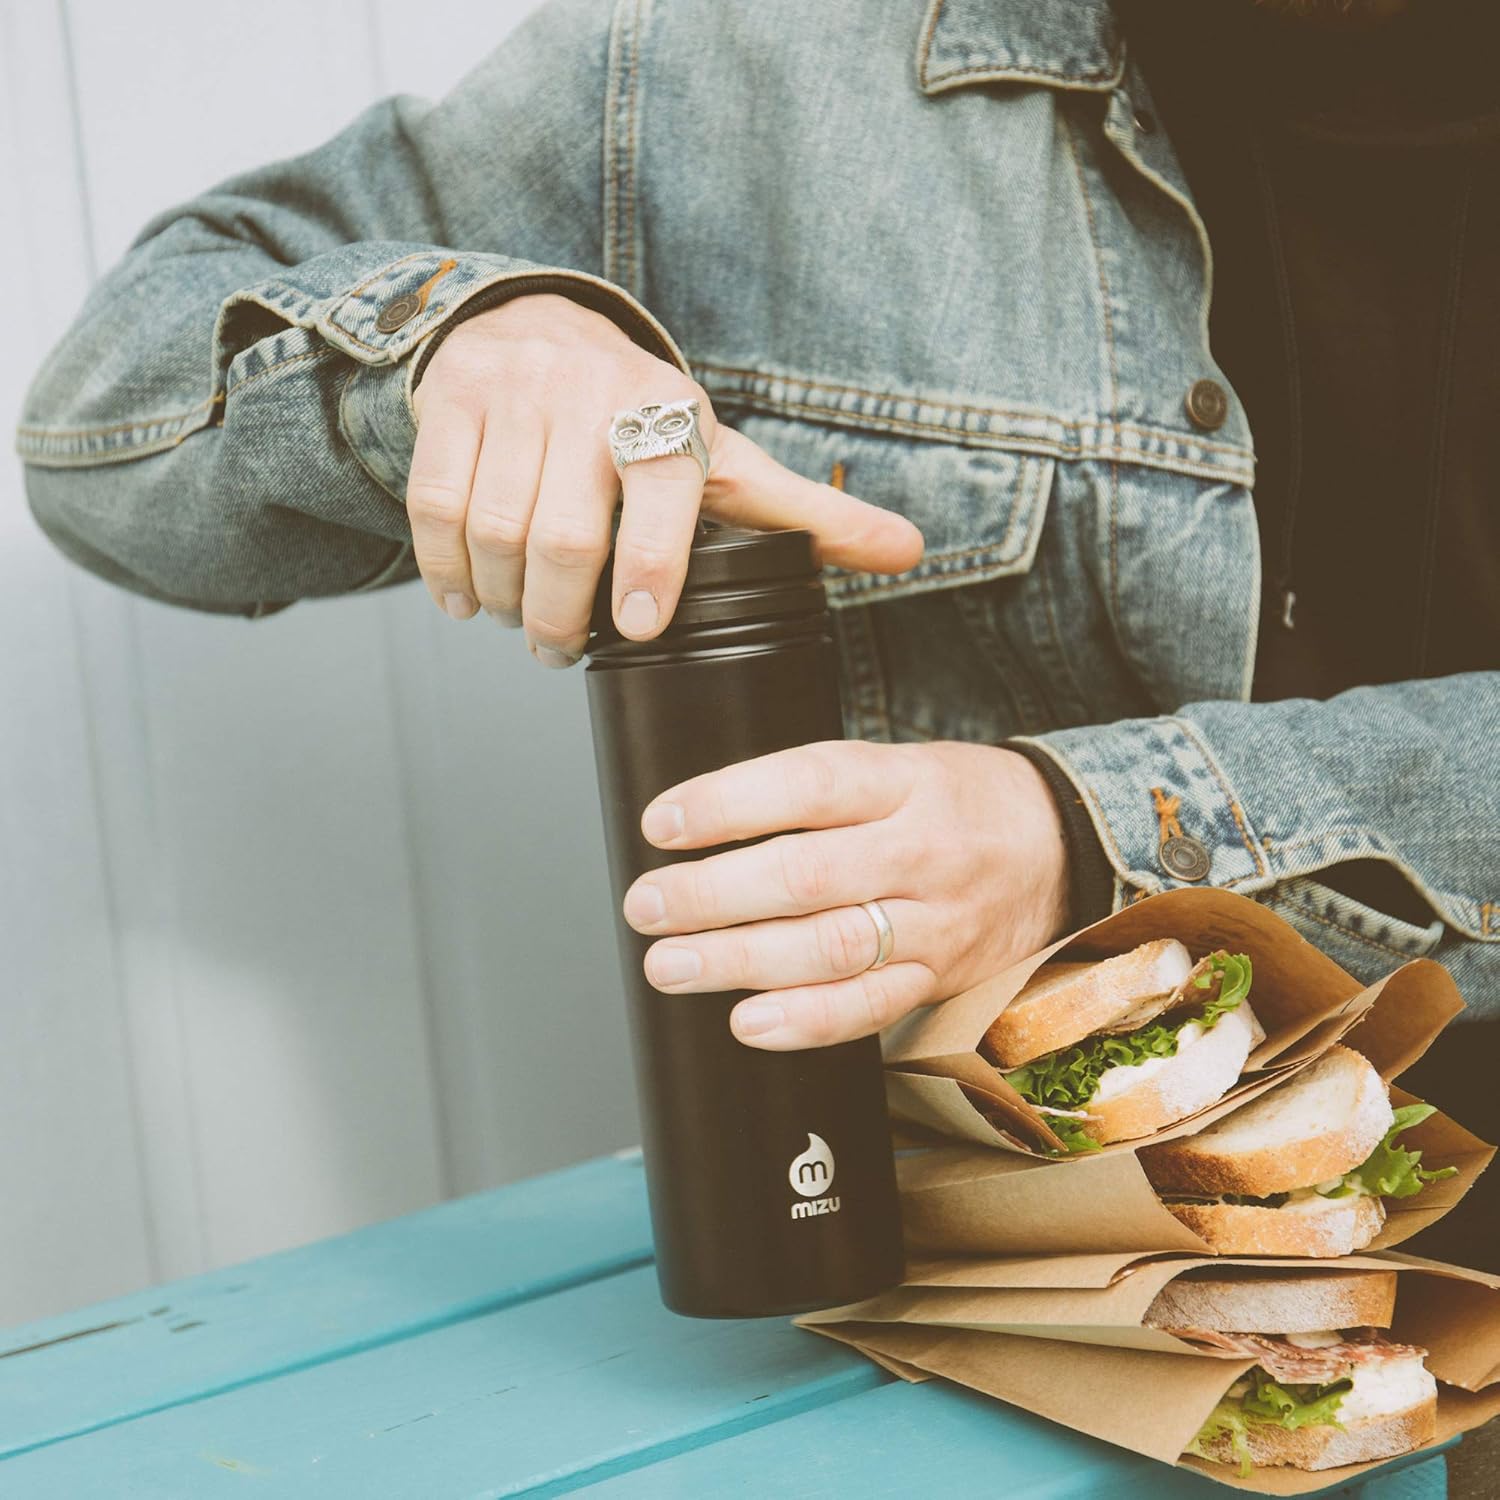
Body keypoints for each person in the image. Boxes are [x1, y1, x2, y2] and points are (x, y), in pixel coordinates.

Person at [17, 3, 1495, 1178]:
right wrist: (456, 347)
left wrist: (1094, 833)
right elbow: (95, 432)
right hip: (1012, 1335)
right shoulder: (738, 60)